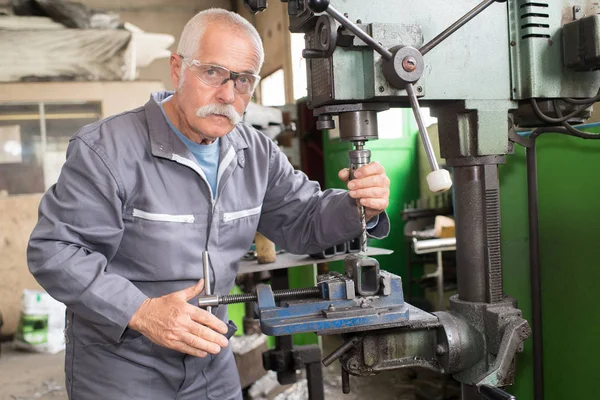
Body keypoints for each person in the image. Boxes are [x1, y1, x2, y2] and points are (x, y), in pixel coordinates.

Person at [27, 8, 391, 400]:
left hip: (211, 361)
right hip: (122, 366)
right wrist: (141, 311)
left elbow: (304, 220)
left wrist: (360, 207)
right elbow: (56, 250)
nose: (227, 95)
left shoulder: (256, 153)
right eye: (212, 72)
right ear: (177, 69)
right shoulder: (106, 150)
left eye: (244, 80)